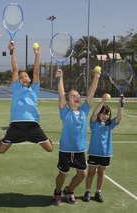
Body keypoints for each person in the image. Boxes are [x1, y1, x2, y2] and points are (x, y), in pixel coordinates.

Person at [53, 68, 100, 206]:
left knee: (82, 174)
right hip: (66, 150)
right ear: (68, 102)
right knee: (63, 174)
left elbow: (91, 94)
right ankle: (57, 192)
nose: (77, 97)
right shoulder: (65, 112)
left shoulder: (84, 111)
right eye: (73, 95)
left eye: (78, 95)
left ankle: (69, 190)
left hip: (80, 150)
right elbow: (62, 95)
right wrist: (59, 79)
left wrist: (96, 77)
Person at [0, 42, 54, 154]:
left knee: (50, 149)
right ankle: (5, 136)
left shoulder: (34, 88)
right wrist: (12, 52)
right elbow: (15, 68)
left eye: (25, 76)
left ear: (30, 79)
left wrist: (37, 55)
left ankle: (32, 137)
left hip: (33, 125)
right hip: (16, 125)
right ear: (18, 80)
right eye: (20, 77)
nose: (23, 78)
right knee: (1, 150)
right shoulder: (16, 87)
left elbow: (36, 71)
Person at [84, 94, 124, 202]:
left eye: (107, 114)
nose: (105, 116)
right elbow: (94, 114)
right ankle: (87, 191)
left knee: (101, 173)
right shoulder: (94, 123)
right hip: (93, 153)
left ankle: (98, 192)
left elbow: (119, 117)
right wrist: (102, 101)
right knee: (91, 173)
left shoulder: (109, 125)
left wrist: (121, 106)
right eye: (103, 113)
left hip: (106, 154)